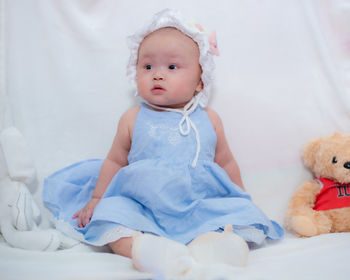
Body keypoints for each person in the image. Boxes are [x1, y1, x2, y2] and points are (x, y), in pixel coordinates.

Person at [43, 9, 284, 278]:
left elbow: (225, 161)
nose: (158, 75)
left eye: (172, 67)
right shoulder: (133, 118)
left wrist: (242, 197)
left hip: (199, 202)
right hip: (141, 203)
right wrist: (98, 198)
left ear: (200, 82)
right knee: (110, 217)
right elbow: (115, 160)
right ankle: (144, 249)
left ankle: (216, 247)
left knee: (241, 217)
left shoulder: (209, 119)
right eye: (148, 67)